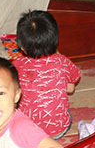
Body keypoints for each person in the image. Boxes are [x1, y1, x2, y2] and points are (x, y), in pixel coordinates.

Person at [12, 10, 81, 138]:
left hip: (27, 132)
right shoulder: (62, 62)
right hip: (57, 131)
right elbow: (70, 89)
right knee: (65, 111)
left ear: (21, 47)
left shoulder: (17, 65)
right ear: (56, 40)